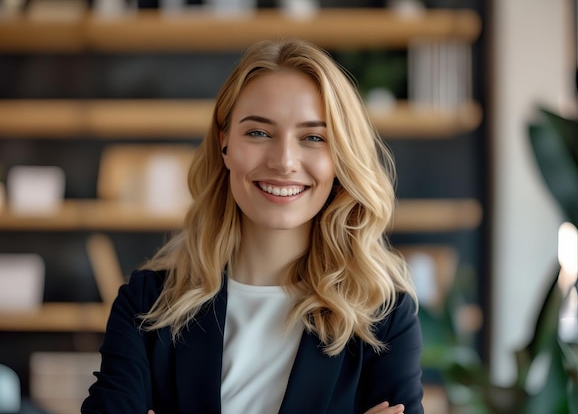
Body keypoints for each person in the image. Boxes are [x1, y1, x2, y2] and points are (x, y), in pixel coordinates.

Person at [81, 38, 424, 414]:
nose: (284, 161)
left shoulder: (383, 317)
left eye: (313, 137)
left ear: (340, 156)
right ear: (224, 141)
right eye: (259, 133)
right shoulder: (147, 304)